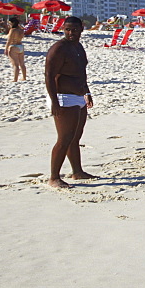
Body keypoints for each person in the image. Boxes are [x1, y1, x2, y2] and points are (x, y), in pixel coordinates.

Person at [44, 16, 97, 189]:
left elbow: (82, 72)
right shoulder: (59, 48)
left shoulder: (78, 47)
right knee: (64, 138)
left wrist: (87, 92)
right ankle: (54, 177)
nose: (70, 33)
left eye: (74, 29)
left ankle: (77, 171)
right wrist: (54, 101)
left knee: (75, 137)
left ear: (81, 29)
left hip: (79, 96)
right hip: (63, 97)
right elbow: (49, 76)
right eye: (67, 29)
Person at [4, 17, 27, 82]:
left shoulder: (12, 30)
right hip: (20, 46)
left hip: (13, 46)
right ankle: (24, 77)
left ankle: (15, 79)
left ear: (12, 23)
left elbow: (9, 40)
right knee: (22, 64)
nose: (9, 24)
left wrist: (6, 48)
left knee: (15, 65)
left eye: (9, 23)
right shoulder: (21, 30)